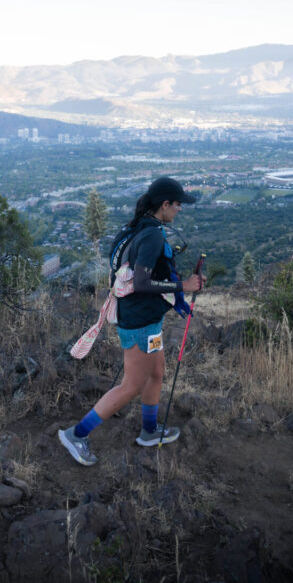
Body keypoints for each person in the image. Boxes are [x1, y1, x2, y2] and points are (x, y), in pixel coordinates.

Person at [60, 176, 205, 466]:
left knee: (156, 372)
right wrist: (183, 286)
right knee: (132, 385)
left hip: (145, 319)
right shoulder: (151, 234)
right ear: (165, 204)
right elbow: (140, 282)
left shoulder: (137, 227)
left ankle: (150, 431)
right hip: (139, 322)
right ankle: (76, 434)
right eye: (177, 205)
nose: (179, 211)